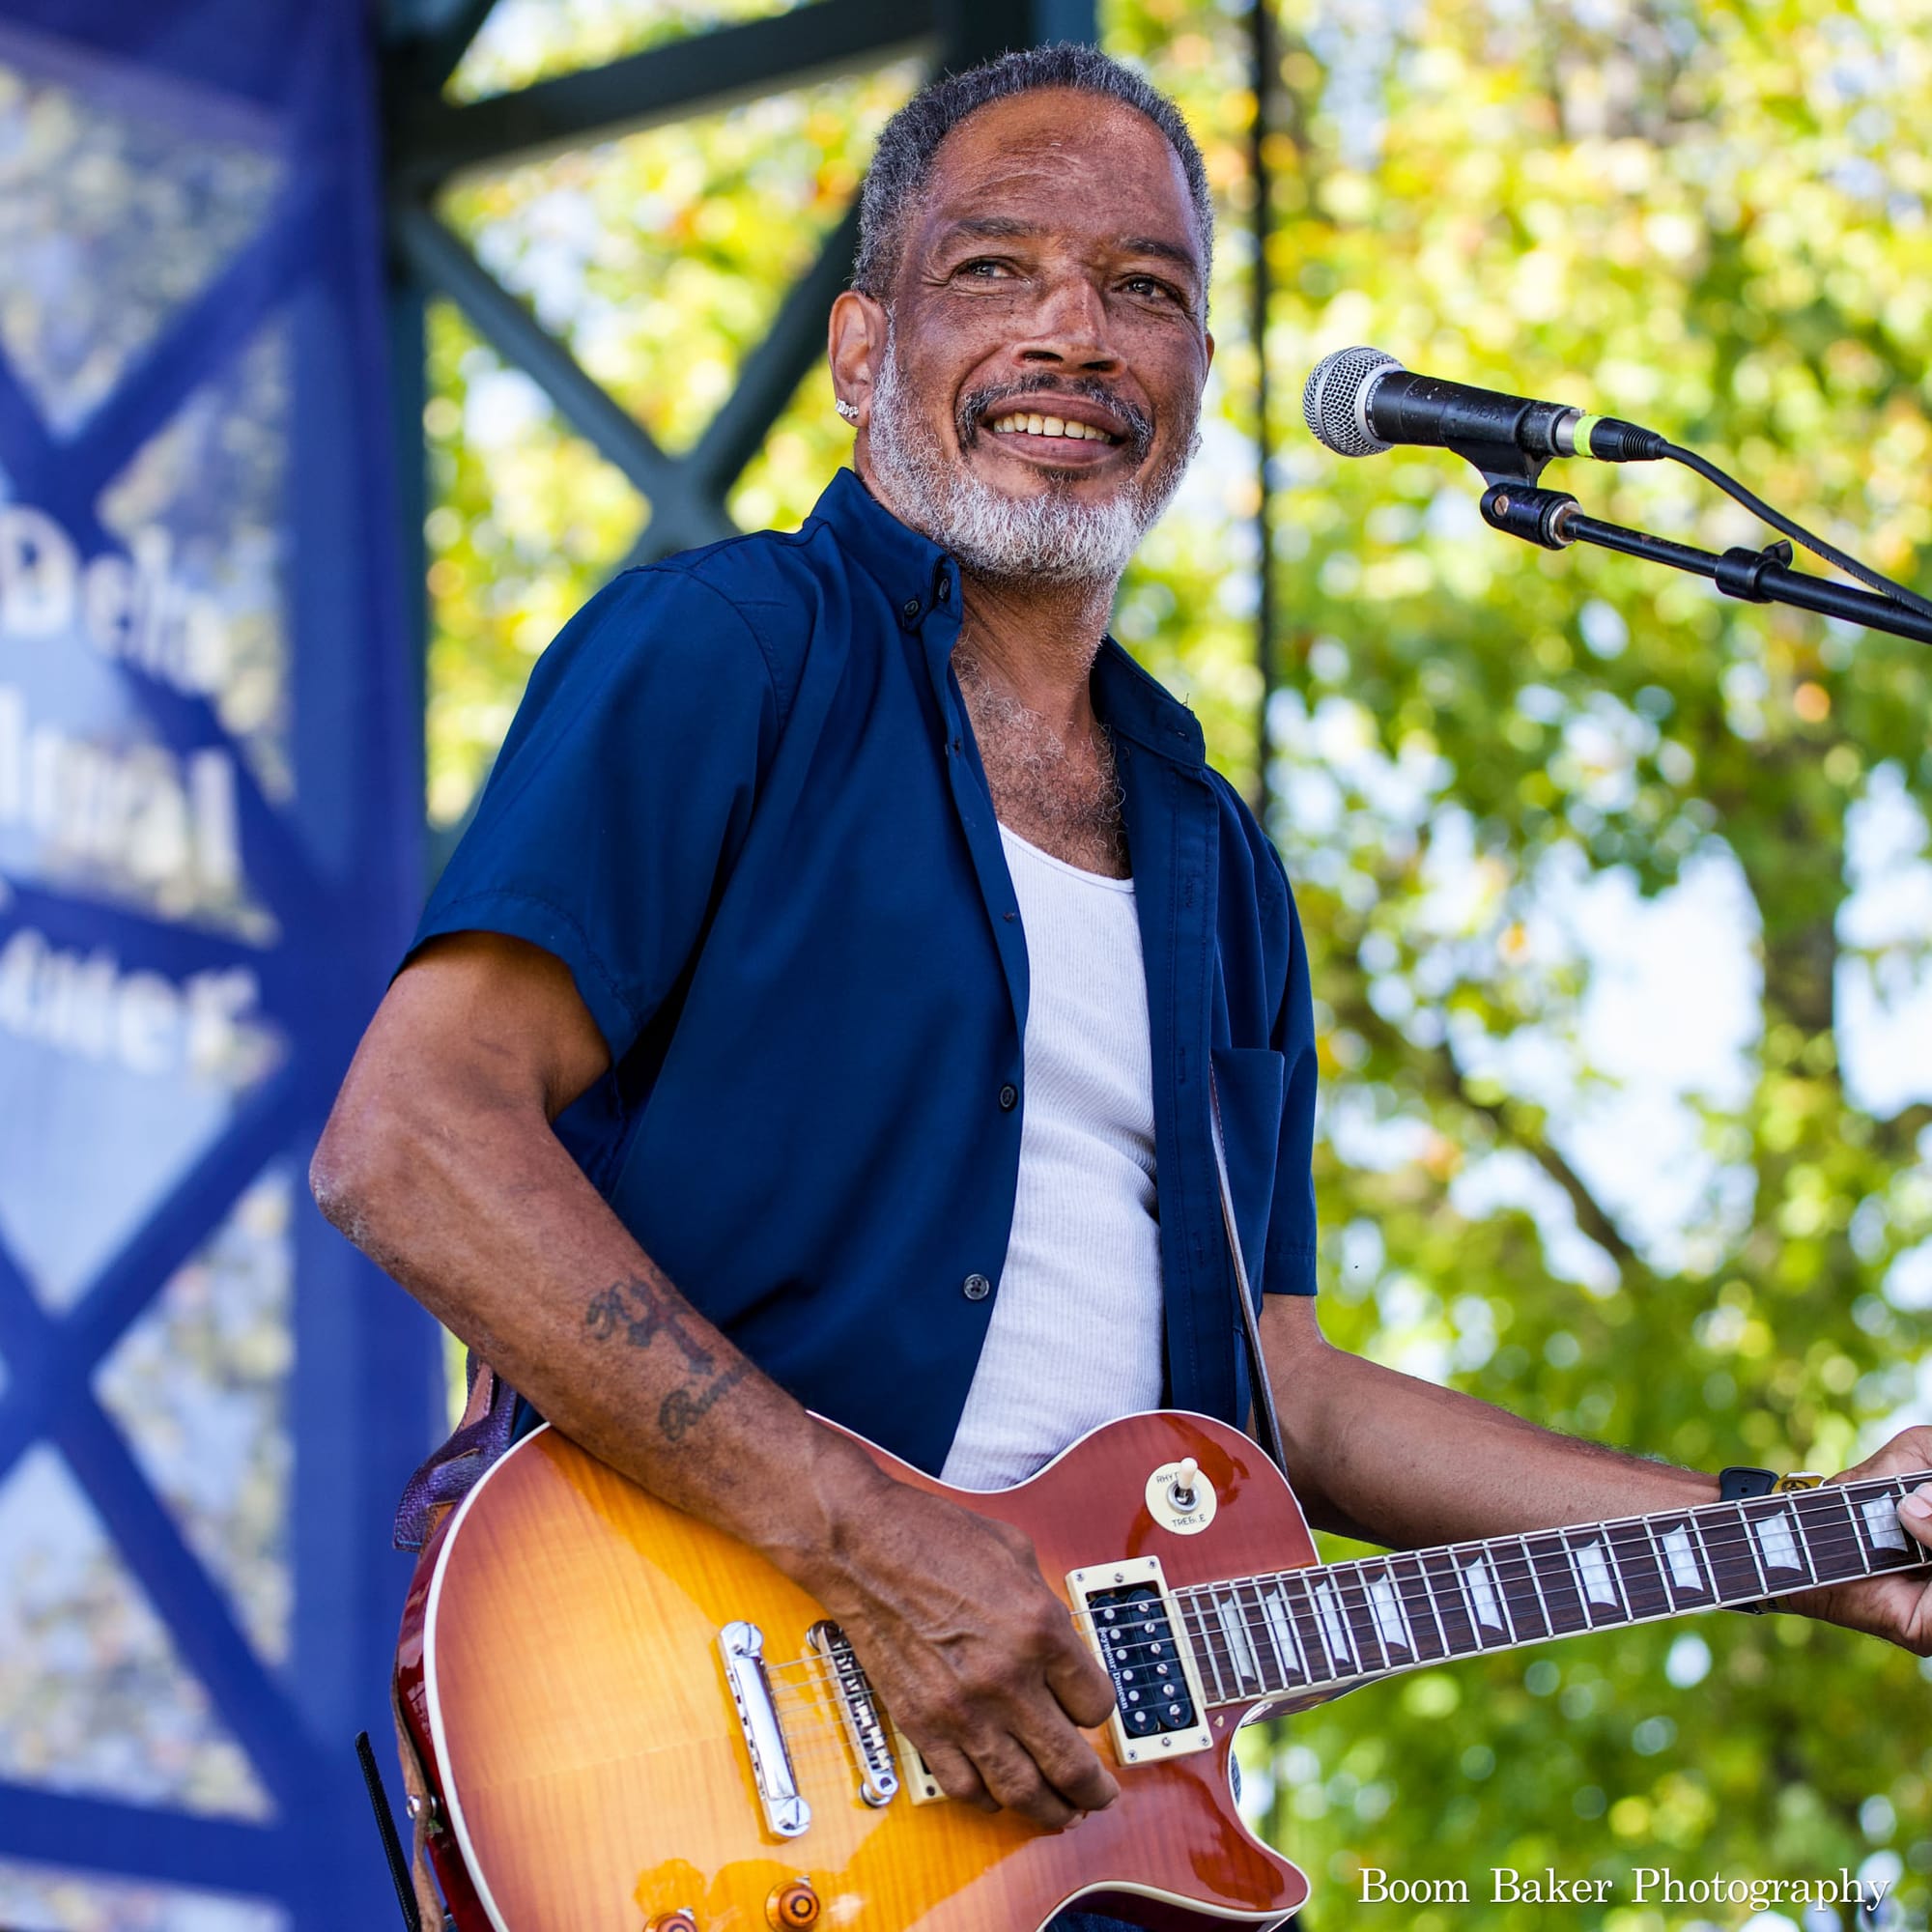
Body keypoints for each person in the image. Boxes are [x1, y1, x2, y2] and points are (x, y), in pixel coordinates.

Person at [313, 42, 1932, 1932]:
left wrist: (1805, 1539)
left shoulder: (1216, 864)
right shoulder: (729, 650)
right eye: (995, 268)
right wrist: (866, 1539)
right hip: (711, 1747)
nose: (1074, 333)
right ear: (857, 350)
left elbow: (1286, 1397)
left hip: (1084, 1840)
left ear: (1197, 387)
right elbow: (407, 1139)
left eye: (1143, 290)